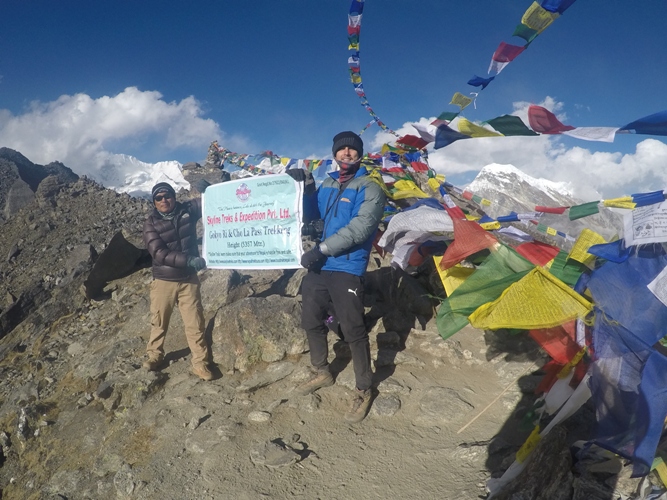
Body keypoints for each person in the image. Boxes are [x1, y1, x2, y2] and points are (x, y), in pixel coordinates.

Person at [293, 131, 386, 423]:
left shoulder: (370, 188)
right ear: (334, 153)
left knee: (354, 329)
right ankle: (321, 371)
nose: (347, 153)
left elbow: (360, 228)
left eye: (352, 149)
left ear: (360, 154)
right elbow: (311, 215)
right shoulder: (328, 184)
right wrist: (306, 190)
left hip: (346, 267)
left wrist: (321, 250)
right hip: (320, 267)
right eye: (342, 149)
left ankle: (363, 388)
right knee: (311, 319)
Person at [142, 181, 213, 381]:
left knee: (195, 322)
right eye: (159, 198)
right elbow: (159, 252)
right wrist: (189, 260)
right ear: (154, 202)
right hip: (165, 280)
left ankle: (200, 363)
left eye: (167, 196)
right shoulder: (150, 224)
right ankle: (155, 355)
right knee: (159, 321)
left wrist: (210, 191)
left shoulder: (187, 210)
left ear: (174, 197)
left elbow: (213, 202)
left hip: (188, 280)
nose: (164, 200)